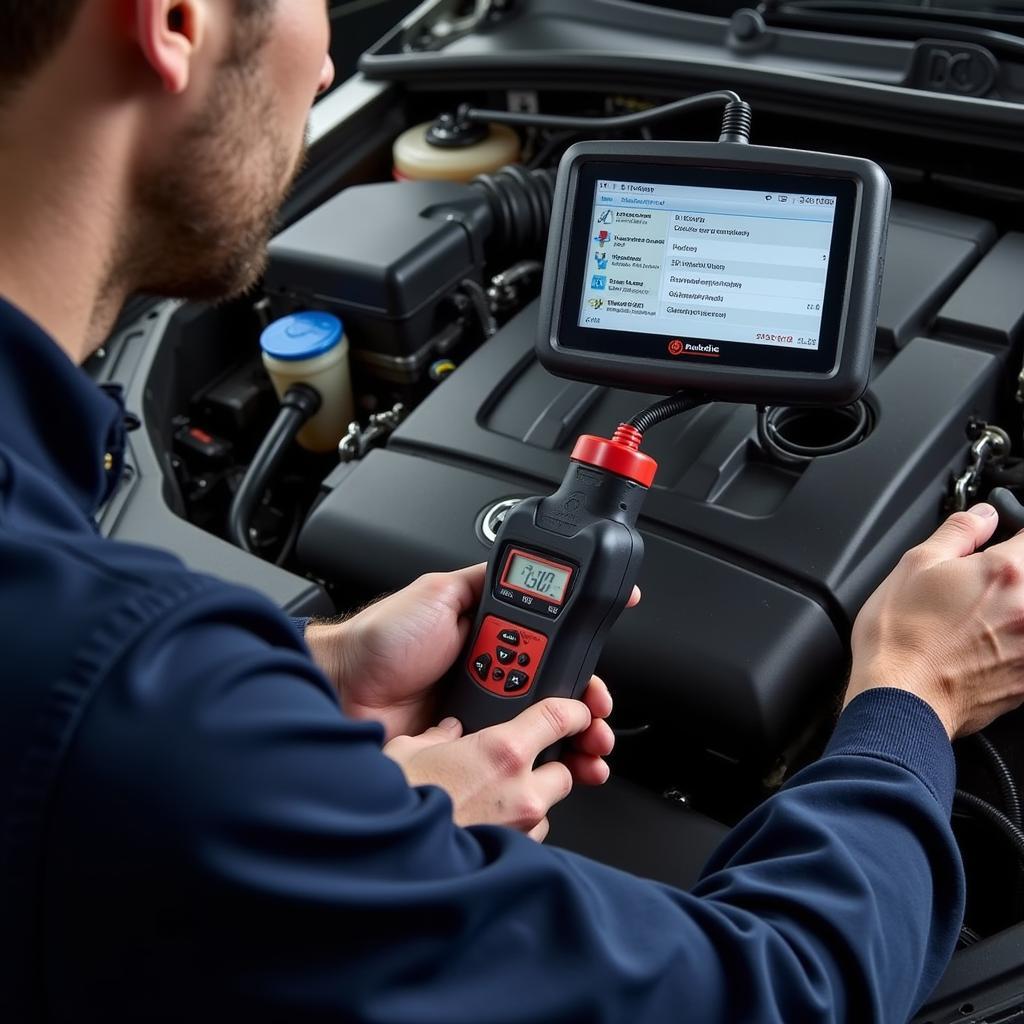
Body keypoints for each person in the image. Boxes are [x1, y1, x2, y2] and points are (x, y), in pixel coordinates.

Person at [1, 2, 1023, 1021]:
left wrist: (311, 671)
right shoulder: (132, 713)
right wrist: (910, 692)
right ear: (172, 19)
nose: (323, 72)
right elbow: (789, 995)